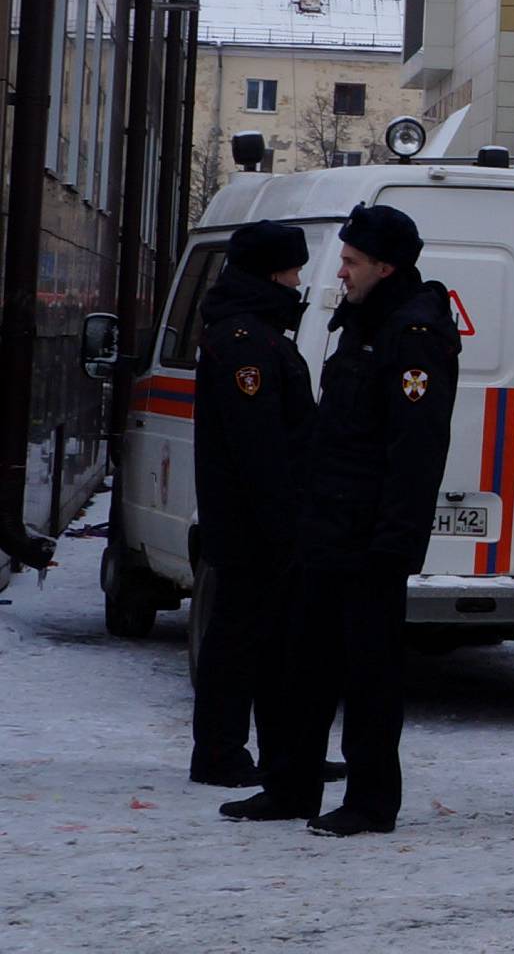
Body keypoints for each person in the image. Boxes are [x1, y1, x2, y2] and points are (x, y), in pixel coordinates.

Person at [222, 202, 459, 836]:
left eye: (352, 262)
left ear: (386, 266)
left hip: (369, 540)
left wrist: (395, 542)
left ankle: (371, 799)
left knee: (370, 675)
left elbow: (416, 450)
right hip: (325, 530)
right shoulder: (362, 323)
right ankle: (293, 786)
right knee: (306, 662)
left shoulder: (413, 334)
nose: (341, 273)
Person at [189, 220, 315, 788]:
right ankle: (220, 752)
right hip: (252, 527)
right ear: (271, 273)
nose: (299, 281)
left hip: (254, 522)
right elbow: (259, 446)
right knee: (238, 641)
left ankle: (276, 750)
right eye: (292, 270)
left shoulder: (254, 334)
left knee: (264, 641)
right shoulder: (248, 342)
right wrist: (285, 524)